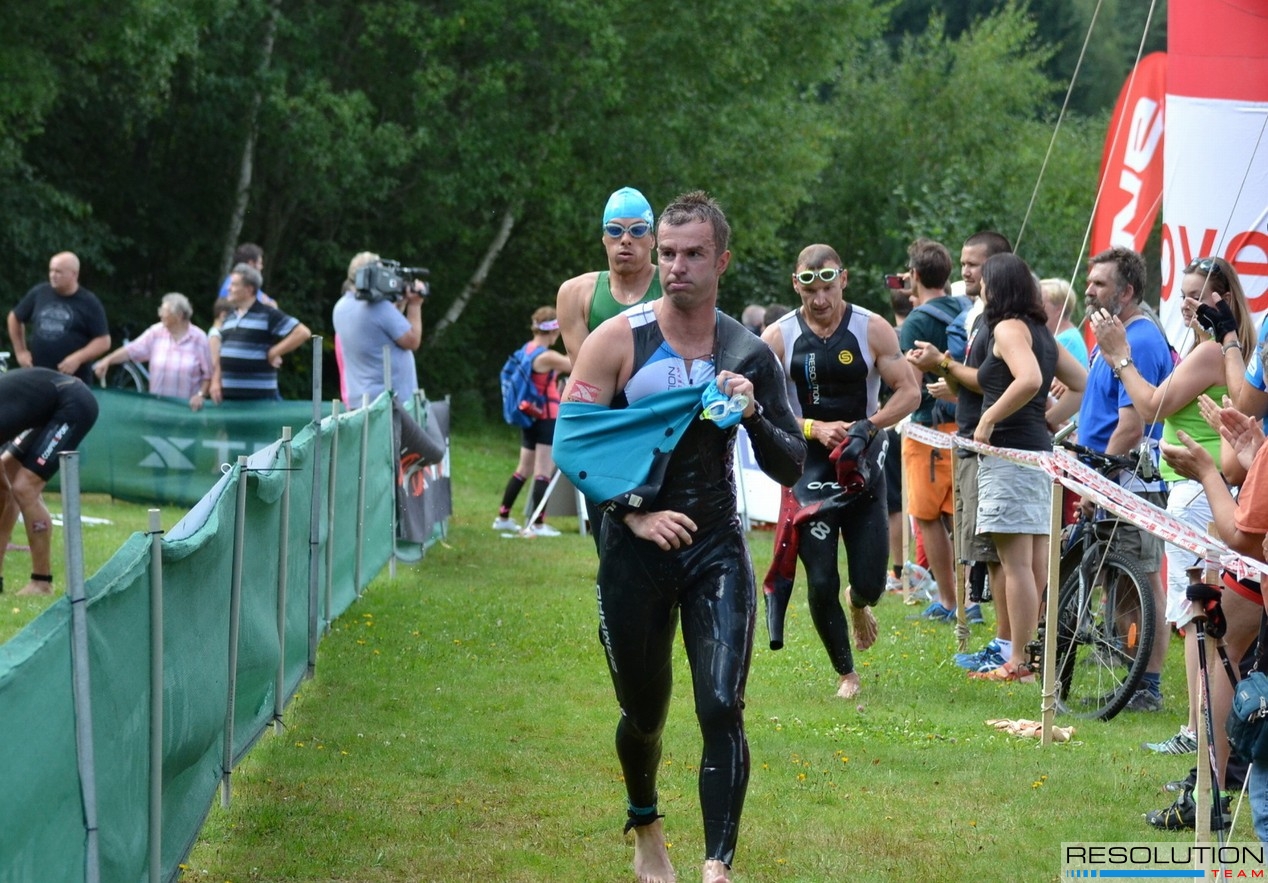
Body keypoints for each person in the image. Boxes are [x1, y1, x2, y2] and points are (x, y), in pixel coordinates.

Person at [553, 191, 804, 883]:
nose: (675, 266)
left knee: (721, 703)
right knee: (644, 713)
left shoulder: (748, 351)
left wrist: (752, 415)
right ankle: (647, 828)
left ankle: (717, 866)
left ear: (721, 261)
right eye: (667, 252)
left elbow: (792, 463)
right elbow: (573, 444)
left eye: (693, 254)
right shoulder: (616, 340)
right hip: (633, 551)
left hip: (715, 547)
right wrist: (634, 514)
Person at [1094, 256, 1254, 756]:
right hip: (1203, 490)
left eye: (1197, 295)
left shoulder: (1209, 353)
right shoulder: (1218, 350)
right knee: (1201, 616)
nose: (1186, 304)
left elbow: (1149, 408)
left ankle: (1195, 731)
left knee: (1196, 616)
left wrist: (1120, 357)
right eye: (1181, 294)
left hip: (1199, 493)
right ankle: (1200, 729)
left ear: (1222, 300)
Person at [761, 244, 919, 698]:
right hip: (808, 465)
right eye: (810, 290)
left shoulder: (873, 328)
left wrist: (870, 425)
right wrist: (813, 427)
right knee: (821, 579)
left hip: (862, 461)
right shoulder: (777, 337)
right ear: (796, 285)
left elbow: (909, 392)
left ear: (843, 280)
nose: (820, 300)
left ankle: (858, 602)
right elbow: (764, 406)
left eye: (828, 288)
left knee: (870, 583)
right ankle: (847, 673)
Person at [962, 254, 1084, 682]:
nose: (980, 287)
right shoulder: (1043, 332)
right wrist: (1051, 420)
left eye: (985, 280)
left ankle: (1019, 662)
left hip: (1010, 456)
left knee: (1015, 566)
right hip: (1038, 455)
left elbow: (1029, 379)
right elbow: (1081, 382)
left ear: (997, 286)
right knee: (1033, 566)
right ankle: (1030, 660)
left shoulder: (1007, 328)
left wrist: (989, 418)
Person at [909, 231, 1015, 666]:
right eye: (963, 263)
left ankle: (1010, 649)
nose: (965, 271)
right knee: (994, 555)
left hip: (997, 448)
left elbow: (1006, 381)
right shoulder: (980, 316)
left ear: (996, 267)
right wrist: (955, 386)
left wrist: (942, 363)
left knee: (1006, 557)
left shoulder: (1005, 324)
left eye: (973, 264)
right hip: (976, 441)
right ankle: (1006, 644)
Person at [1079, 245, 1174, 711]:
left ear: (1126, 291)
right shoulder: (1111, 339)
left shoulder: (1141, 341)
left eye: (1099, 284)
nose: (1089, 290)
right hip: (1111, 479)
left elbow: (1133, 424)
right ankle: (1133, 680)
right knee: (1119, 586)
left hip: (1130, 483)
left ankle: (1147, 687)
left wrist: (1098, 482)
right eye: (1089, 282)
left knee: (1142, 585)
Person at [556, 186, 663, 542]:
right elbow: (588, 377)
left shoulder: (673, 285)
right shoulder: (576, 294)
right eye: (615, 230)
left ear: (652, 239)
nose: (625, 240)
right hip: (606, 436)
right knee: (611, 546)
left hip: (664, 434)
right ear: (604, 238)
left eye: (637, 230)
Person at [899, 237, 964, 621]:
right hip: (966, 423)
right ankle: (972, 600)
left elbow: (910, 387)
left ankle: (951, 601)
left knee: (928, 516)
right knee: (961, 516)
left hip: (930, 428)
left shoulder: (917, 321)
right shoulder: (966, 308)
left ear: (914, 275)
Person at [0, 368, 100, 596]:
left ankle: (42, 582)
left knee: (24, 488)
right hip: (52, 404)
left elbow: (3, 491)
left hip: (73, 403)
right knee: (9, 477)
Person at [492, 307, 572, 536]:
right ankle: (537, 524)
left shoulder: (526, 350)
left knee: (523, 469)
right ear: (553, 331)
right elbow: (575, 364)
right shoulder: (547, 356)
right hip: (546, 417)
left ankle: (503, 517)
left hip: (529, 416)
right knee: (543, 471)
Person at [332, 251, 427, 407]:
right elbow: (412, 341)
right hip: (389, 403)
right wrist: (415, 305)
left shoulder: (340, 307)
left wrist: (399, 304)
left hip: (360, 400)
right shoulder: (378, 308)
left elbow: (380, 331)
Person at [91, 293, 212, 410]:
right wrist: (107, 360)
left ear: (179, 315)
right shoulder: (156, 332)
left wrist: (200, 395)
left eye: (164, 311)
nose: (160, 314)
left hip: (186, 411)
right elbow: (131, 350)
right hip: (156, 409)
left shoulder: (199, 338)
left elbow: (209, 375)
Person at [210, 264, 311, 402]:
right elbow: (222, 354)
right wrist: (215, 381)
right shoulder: (229, 318)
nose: (228, 288)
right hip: (230, 400)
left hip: (260, 400)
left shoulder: (267, 314)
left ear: (249, 289)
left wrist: (274, 352)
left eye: (234, 284)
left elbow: (302, 332)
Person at [7, 252, 111, 384]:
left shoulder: (89, 302)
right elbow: (14, 318)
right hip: (37, 374)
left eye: (58, 272)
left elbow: (103, 341)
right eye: (51, 270)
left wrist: (77, 358)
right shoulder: (40, 293)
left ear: (74, 274)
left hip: (72, 380)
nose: (53, 275)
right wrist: (20, 352)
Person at [1040, 277, 1089, 368]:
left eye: (1041, 303)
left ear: (1059, 309)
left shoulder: (1065, 341)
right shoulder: (1069, 335)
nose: (1035, 308)